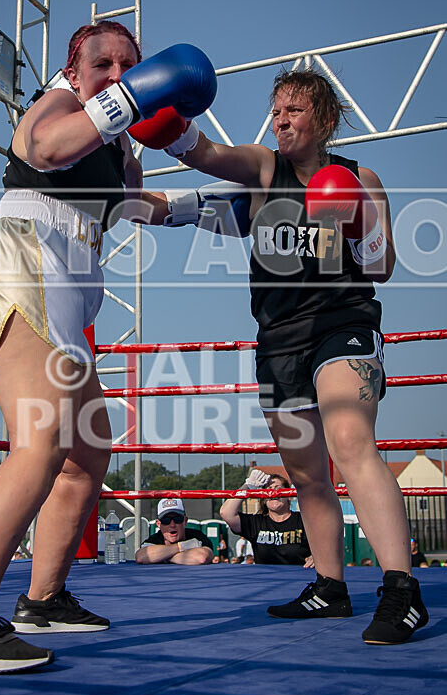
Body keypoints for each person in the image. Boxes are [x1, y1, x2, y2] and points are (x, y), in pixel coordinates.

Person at [0, 21, 216, 675]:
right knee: (41, 443)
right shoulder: (58, 105)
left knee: (87, 452)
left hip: (65, 286)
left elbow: (132, 208)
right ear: (75, 72)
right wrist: (131, 96)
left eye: (130, 65)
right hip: (24, 261)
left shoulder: (115, 148)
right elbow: (47, 146)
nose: (118, 74)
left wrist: (222, 212)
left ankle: (43, 598)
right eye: (104, 64)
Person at [141, 67, 428, 645]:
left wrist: (358, 224)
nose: (282, 120)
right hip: (277, 339)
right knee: (306, 473)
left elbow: (381, 267)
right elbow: (209, 155)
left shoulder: (360, 178)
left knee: (350, 441)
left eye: (295, 110)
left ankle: (401, 589)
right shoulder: (265, 170)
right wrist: (168, 125)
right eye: (277, 111)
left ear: (324, 119)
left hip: (342, 324)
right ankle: (329, 586)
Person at [221, 469, 313, 567]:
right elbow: (226, 513)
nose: (273, 493)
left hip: (300, 577)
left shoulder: (303, 520)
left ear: (289, 496)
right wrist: (247, 486)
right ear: (264, 499)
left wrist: (317, 557)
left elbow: (326, 540)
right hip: (265, 579)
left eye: (278, 488)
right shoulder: (256, 522)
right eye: (269, 489)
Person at [135, 498, 214, 565]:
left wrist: (161, 556)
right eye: (166, 520)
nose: (172, 525)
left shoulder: (197, 536)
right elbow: (141, 557)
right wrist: (182, 547)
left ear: (185, 521)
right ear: (158, 524)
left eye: (177, 519)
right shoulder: (154, 540)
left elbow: (202, 558)